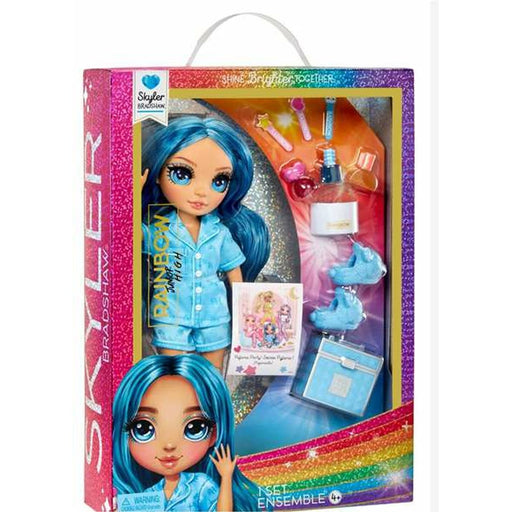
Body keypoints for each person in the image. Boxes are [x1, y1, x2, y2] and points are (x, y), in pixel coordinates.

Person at [141, 116, 270, 371]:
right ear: (157, 173)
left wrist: (244, 307)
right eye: (182, 174)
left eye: (219, 181)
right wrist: (131, 196)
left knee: (213, 374)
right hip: (171, 315)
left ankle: (212, 398)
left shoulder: (219, 233)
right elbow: (130, 238)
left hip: (215, 315)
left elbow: (233, 270)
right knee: (172, 373)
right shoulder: (159, 228)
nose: (202, 192)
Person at [113, 354, 266, 511]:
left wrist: (226, 477)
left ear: (213, 434)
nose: (169, 445)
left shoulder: (200, 485)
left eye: (195, 427)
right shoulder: (150, 494)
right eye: (143, 428)